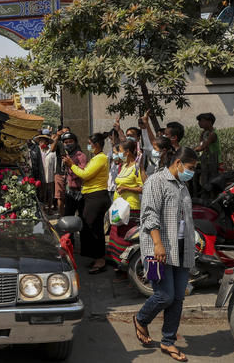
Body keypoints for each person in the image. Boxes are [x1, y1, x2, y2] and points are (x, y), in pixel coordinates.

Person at [134, 147, 198, 362]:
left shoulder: (182, 184)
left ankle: (168, 341)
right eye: (190, 168)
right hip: (158, 247)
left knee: (178, 298)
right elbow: (149, 214)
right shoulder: (156, 181)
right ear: (178, 162)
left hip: (181, 247)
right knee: (164, 295)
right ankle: (141, 319)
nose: (191, 172)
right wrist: (158, 244)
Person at [63, 133, 110, 274]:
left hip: (97, 195)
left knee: (94, 228)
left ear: (96, 145)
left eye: (90, 143)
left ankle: (101, 260)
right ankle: (96, 257)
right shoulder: (96, 158)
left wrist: (71, 164)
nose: (88, 146)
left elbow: (85, 175)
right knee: (90, 226)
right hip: (91, 195)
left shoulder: (101, 158)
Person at [107, 140, 143, 268]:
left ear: (127, 152)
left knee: (126, 238)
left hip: (130, 208)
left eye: (121, 151)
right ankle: (118, 264)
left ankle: (128, 267)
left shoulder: (137, 167)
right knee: (116, 235)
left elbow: (142, 187)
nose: (119, 154)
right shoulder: (123, 166)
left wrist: (127, 188)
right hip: (118, 206)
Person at [60, 133, 87, 219]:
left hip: (80, 191)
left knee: (82, 217)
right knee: (68, 216)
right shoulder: (67, 156)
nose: (68, 144)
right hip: (70, 191)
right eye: (65, 142)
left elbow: (82, 173)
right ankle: (69, 233)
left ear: (75, 142)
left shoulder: (81, 156)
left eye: (70, 141)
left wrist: (71, 165)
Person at [194, 113, 221, 191]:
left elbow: (202, 147)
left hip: (214, 163)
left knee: (211, 184)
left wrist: (192, 151)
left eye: (201, 121)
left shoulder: (213, 134)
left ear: (209, 122)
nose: (199, 123)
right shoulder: (204, 133)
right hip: (206, 162)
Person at [35, 134, 56, 207]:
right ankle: (43, 208)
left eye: (43, 142)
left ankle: (50, 207)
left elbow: (54, 166)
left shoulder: (52, 153)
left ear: (47, 143)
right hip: (40, 176)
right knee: (41, 193)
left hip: (49, 176)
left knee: (50, 193)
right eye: (40, 142)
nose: (41, 143)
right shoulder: (37, 152)